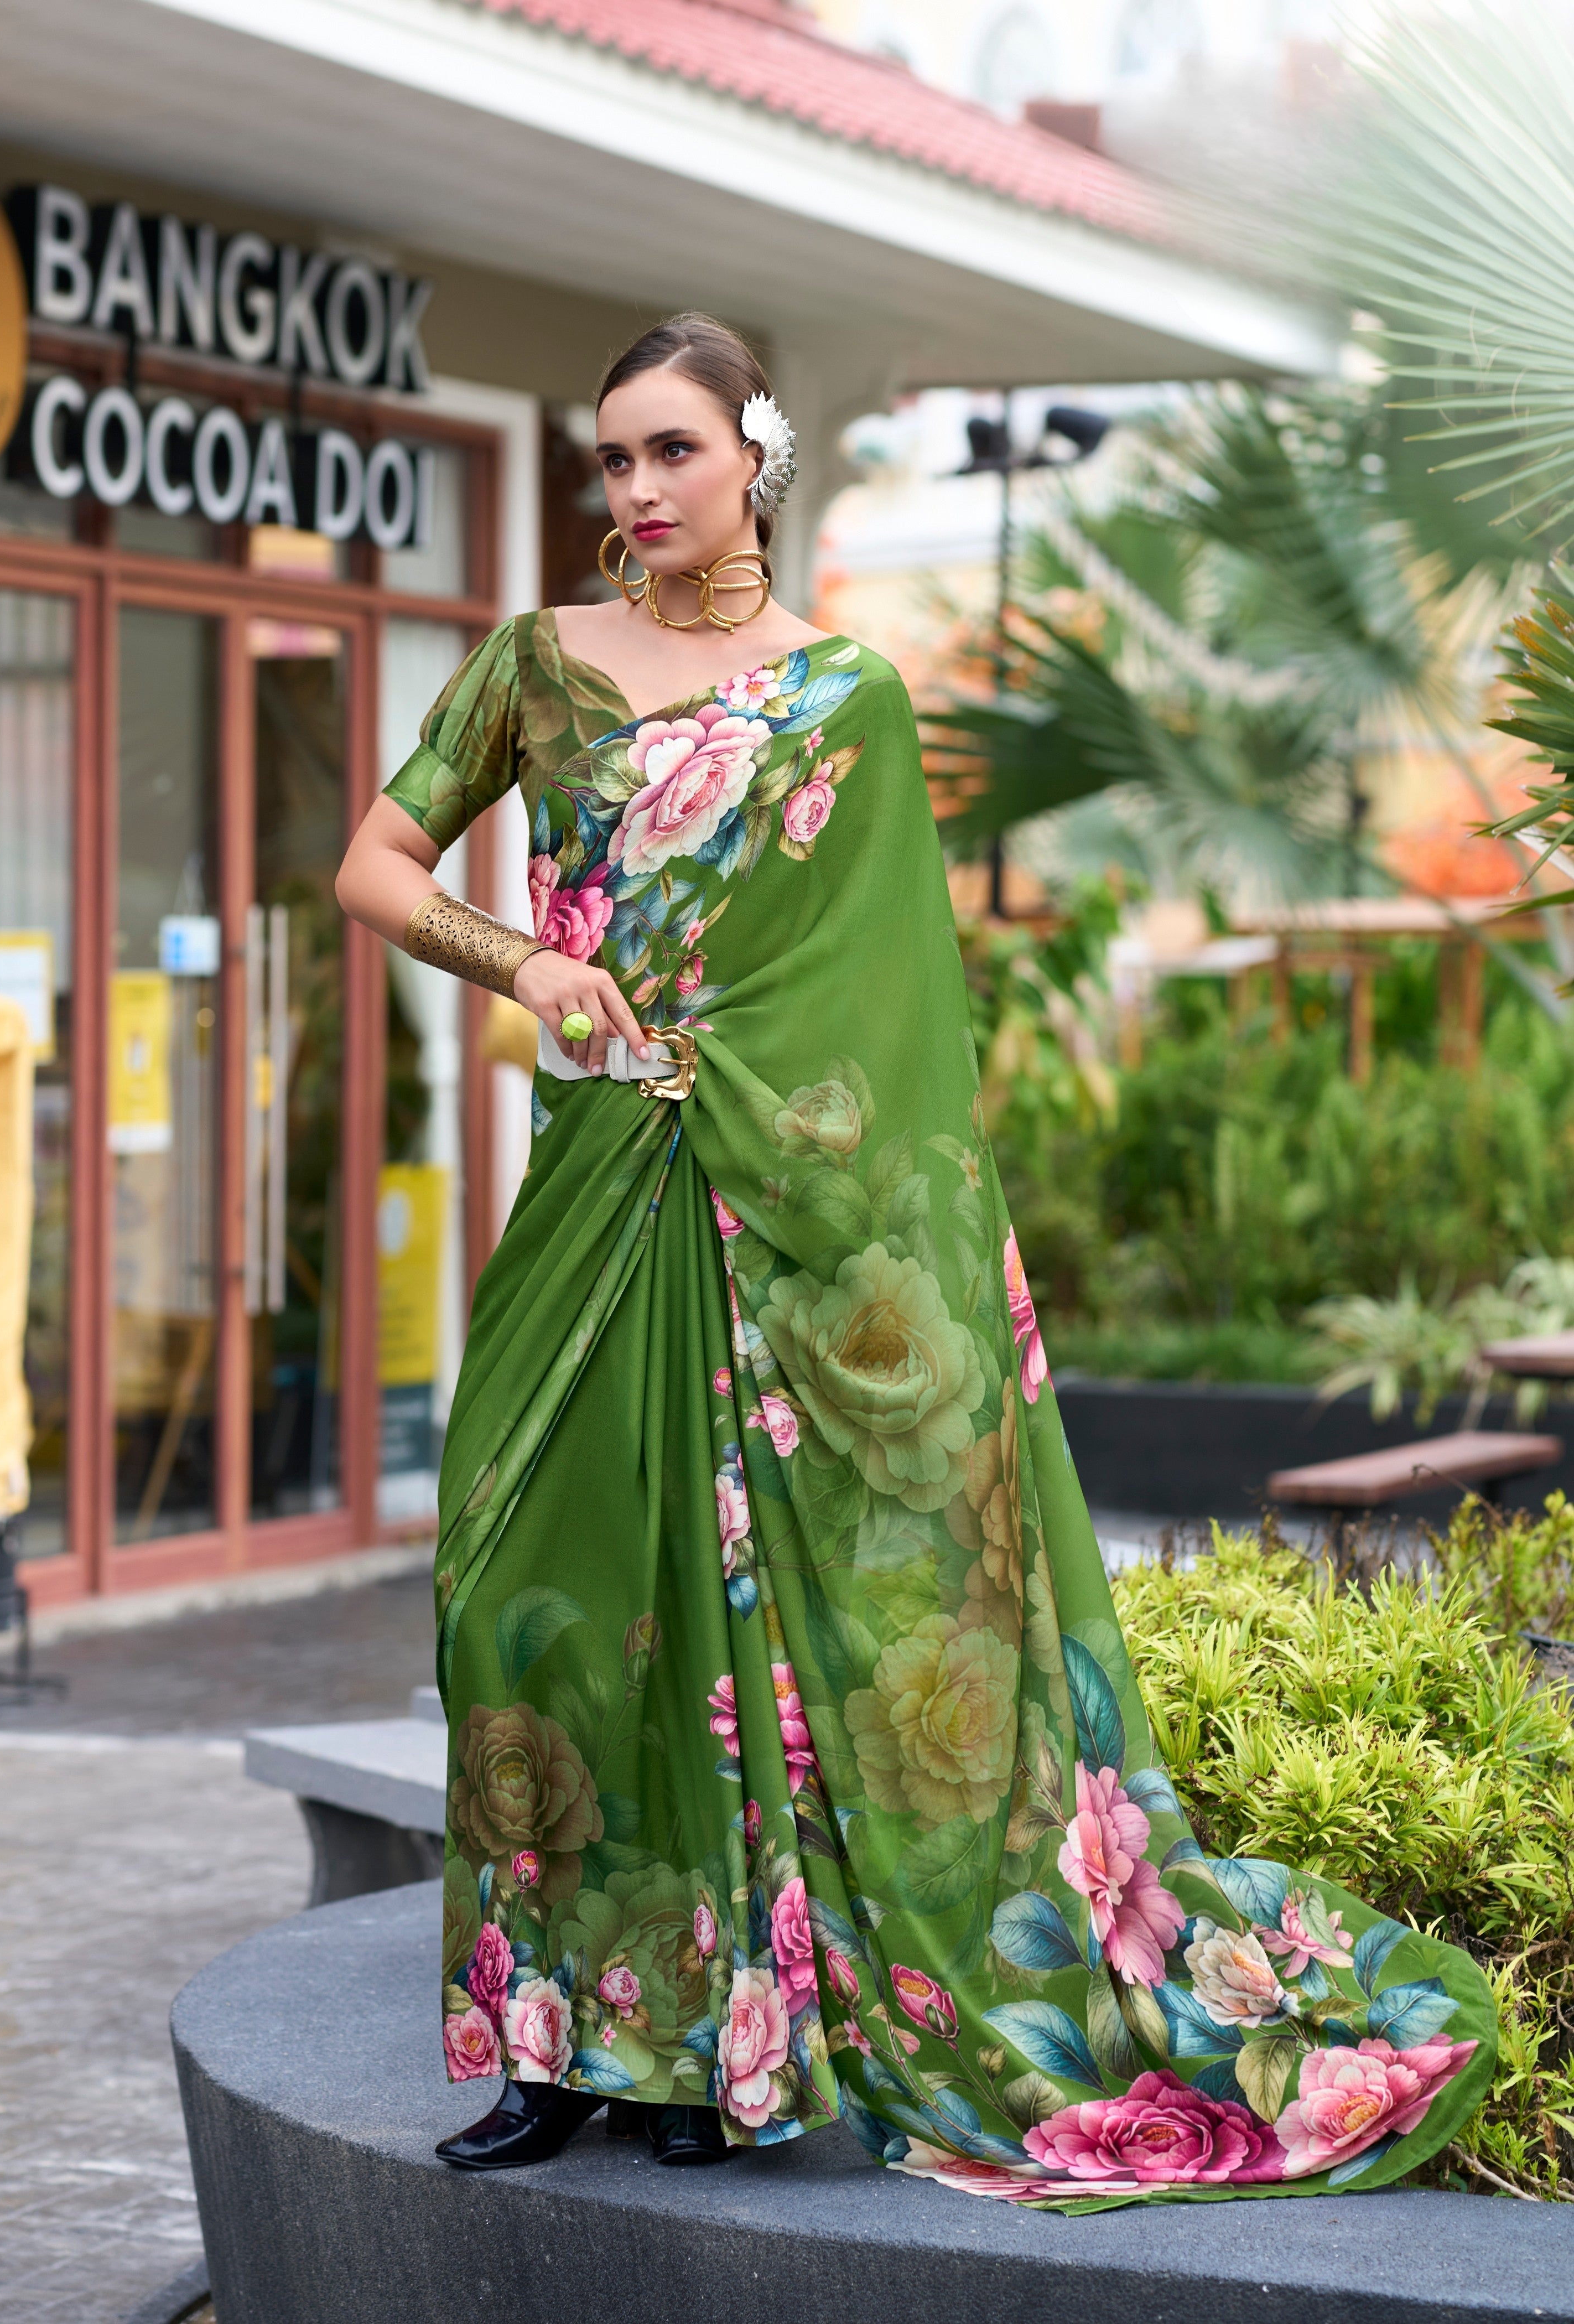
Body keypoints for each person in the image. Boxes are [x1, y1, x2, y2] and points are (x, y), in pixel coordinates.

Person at [336, 313, 1494, 2202]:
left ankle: (718, 2049)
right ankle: (549, 2030)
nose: (636, 492)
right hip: (590, 1194)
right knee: (513, 1592)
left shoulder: (846, 700)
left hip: (780, 1226)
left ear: (753, 460)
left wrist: (874, 1243)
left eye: (671, 453)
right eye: (612, 460)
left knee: (736, 1643)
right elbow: (375, 864)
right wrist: (523, 959)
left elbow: (889, 1032)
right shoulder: (535, 668)